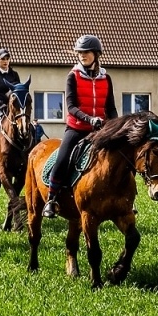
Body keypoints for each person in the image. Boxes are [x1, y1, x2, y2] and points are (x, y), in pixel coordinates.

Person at [42, 36, 117, 218]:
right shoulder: (73, 76)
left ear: (96, 54)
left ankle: (124, 196)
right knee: (63, 158)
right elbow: (71, 107)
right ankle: (51, 199)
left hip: (100, 130)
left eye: (86, 52)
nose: (82, 55)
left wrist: (115, 126)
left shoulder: (106, 78)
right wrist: (89, 119)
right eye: (80, 52)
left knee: (120, 154)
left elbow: (111, 108)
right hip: (76, 128)